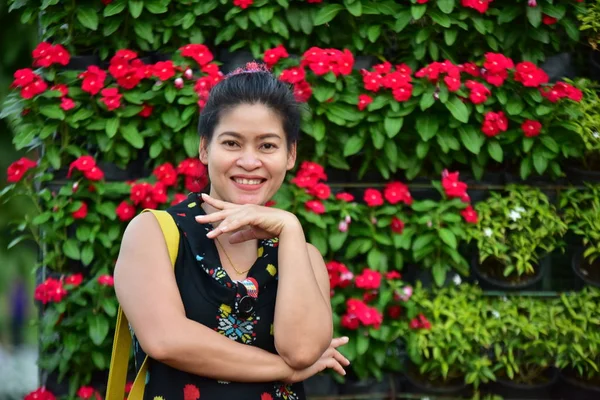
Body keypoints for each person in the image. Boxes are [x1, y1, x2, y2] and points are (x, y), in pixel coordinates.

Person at [114, 62, 350, 399]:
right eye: (232, 143)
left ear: (290, 154)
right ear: (205, 148)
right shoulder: (154, 232)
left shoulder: (301, 254)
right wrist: (285, 371)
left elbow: (301, 351)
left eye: (267, 146)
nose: (250, 161)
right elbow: (166, 340)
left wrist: (291, 227)